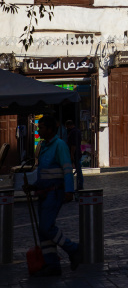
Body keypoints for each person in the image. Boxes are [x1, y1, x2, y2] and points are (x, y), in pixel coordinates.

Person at [24, 115, 81, 277]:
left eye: (41, 127)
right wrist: (33, 186)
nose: (39, 130)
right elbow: (44, 173)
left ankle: (73, 249)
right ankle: (52, 264)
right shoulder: (43, 146)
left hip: (55, 193)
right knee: (43, 232)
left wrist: (69, 191)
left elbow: (67, 169)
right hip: (43, 193)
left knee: (46, 227)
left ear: (50, 129)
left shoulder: (60, 145)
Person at [65, 119, 83, 193]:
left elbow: (73, 145)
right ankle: (80, 185)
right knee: (78, 170)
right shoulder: (77, 131)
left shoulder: (73, 132)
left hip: (75, 154)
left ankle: (80, 185)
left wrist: (72, 155)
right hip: (77, 153)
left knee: (78, 170)